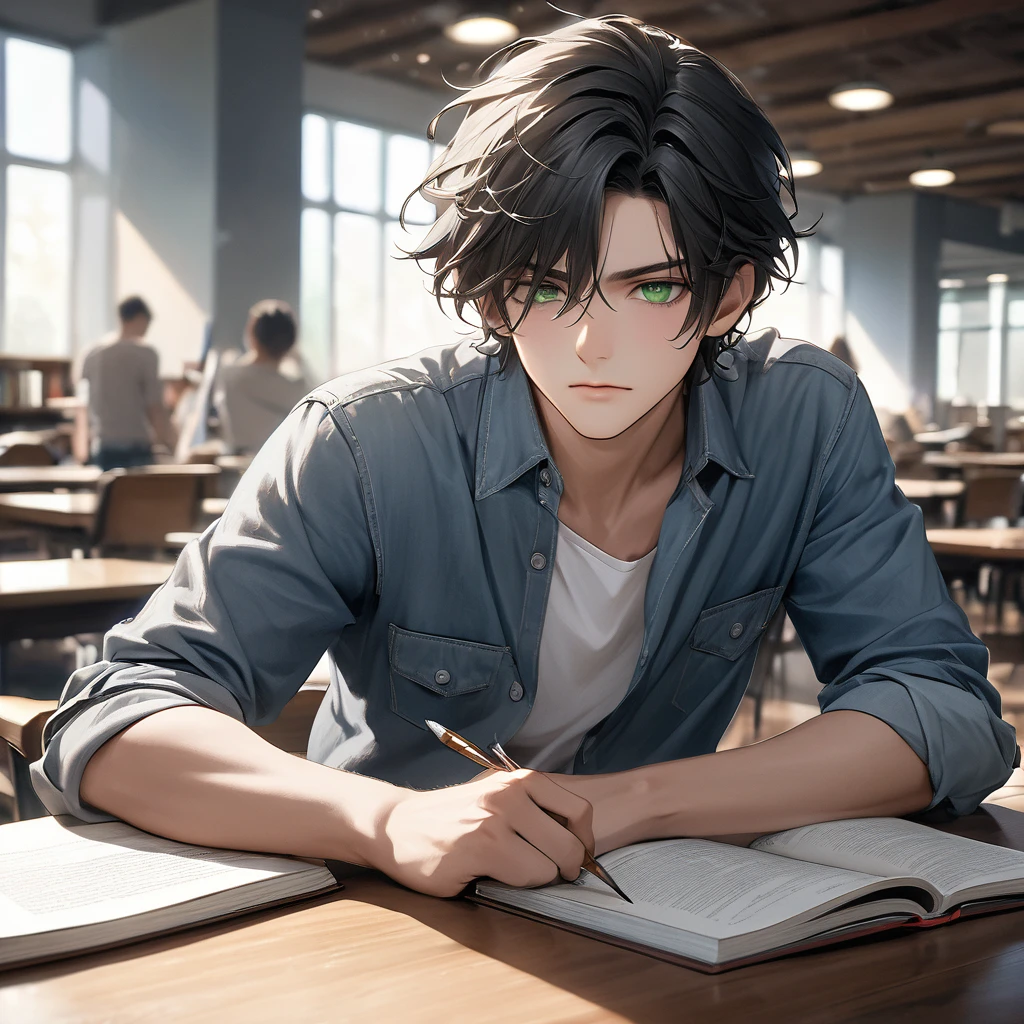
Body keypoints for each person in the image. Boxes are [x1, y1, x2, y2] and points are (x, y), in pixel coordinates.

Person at [34, 16, 1017, 899]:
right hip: (387, 922)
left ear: (727, 298)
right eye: (548, 288)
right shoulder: (367, 440)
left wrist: (624, 802)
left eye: (651, 288)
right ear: (494, 293)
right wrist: (383, 820)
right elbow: (118, 714)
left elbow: (944, 709)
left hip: (656, 914)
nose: (592, 341)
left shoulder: (807, 417)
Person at [77, 296, 177, 471]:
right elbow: (154, 407)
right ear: (140, 319)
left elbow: (83, 407)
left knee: (110, 496)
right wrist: (171, 443)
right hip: (136, 446)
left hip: (103, 446)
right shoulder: (145, 354)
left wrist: (81, 447)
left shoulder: (92, 354)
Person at [213, 300, 310, 455]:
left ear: (252, 335)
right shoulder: (298, 388)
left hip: (236, 468)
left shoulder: (230, 376)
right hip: (282, 461)